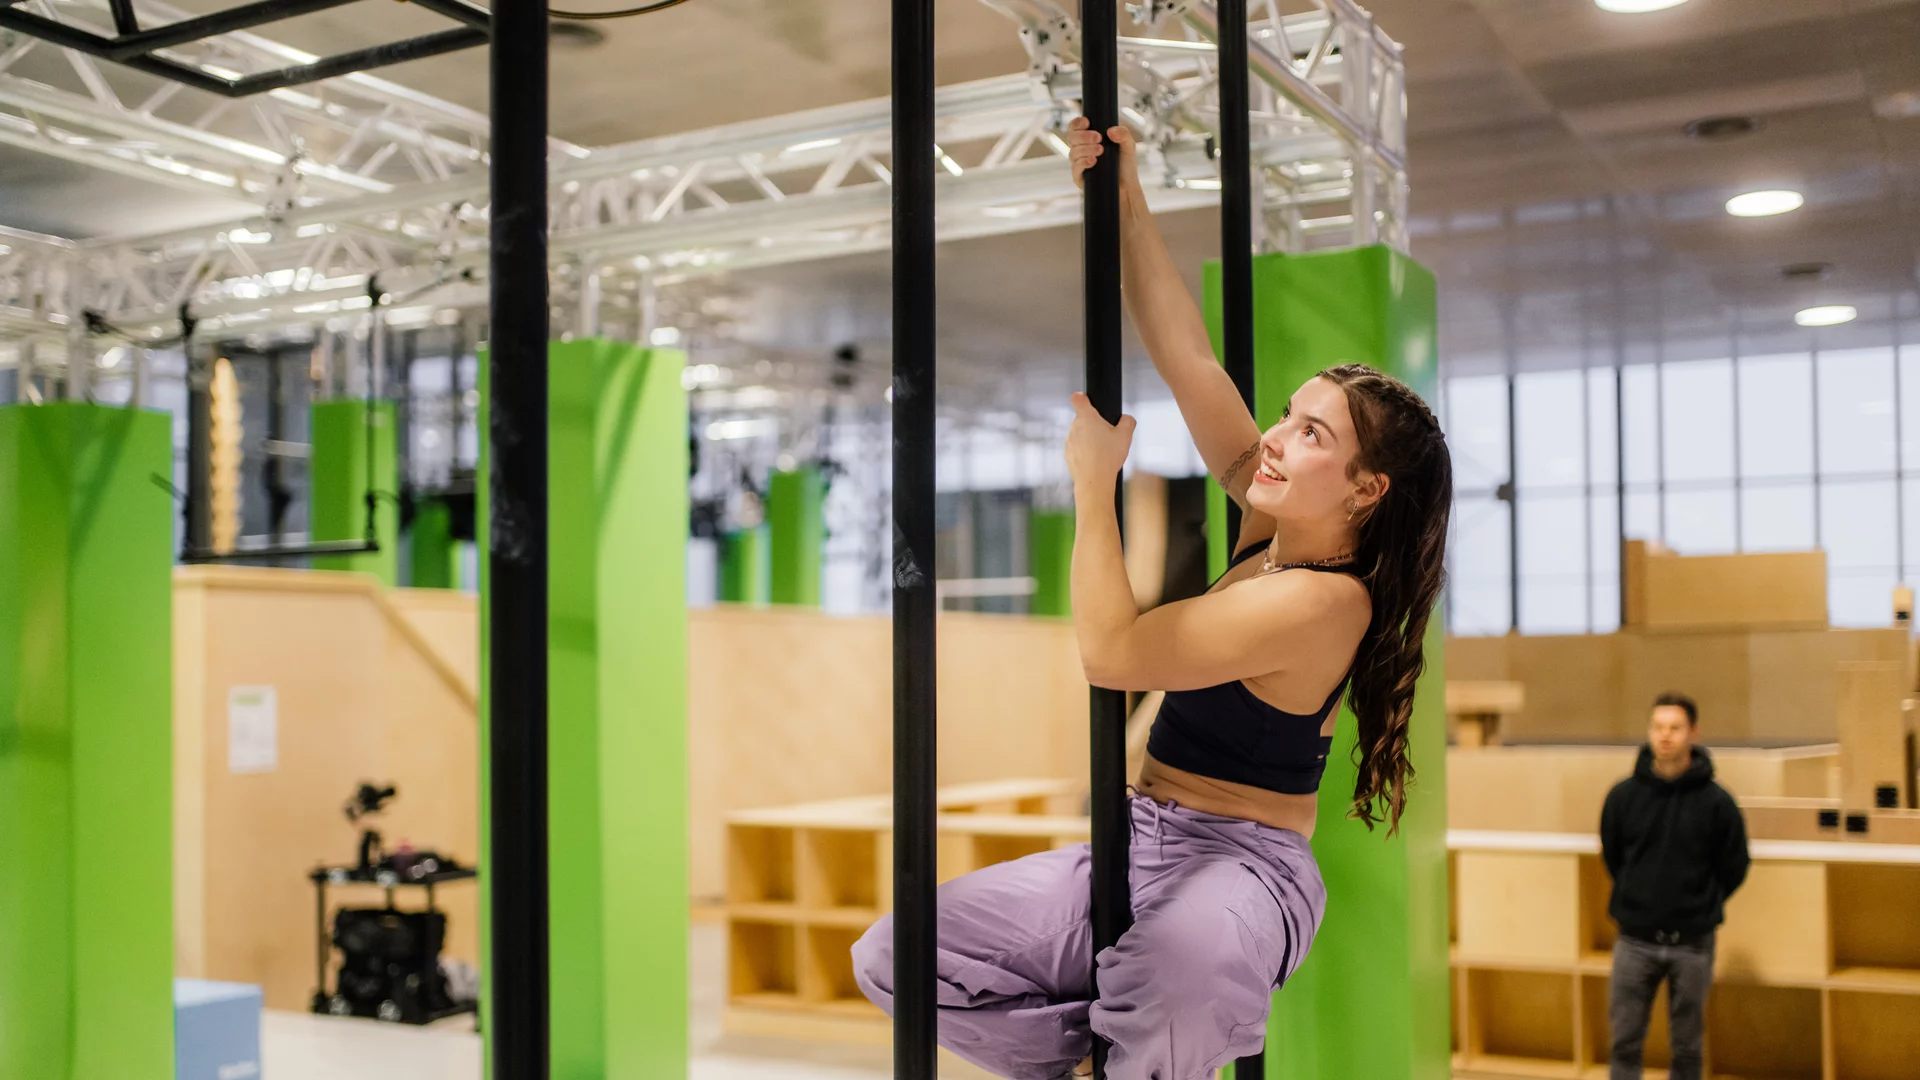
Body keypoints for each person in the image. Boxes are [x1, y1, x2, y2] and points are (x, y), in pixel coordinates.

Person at [849, 117, 1454, 1080]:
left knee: (1179, 965)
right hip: (1138, 833)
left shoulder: (1329, 602)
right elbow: (1189, 359)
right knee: (894, 954)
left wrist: (1094, 489)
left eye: (1309, 434)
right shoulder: (1269, 532)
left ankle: (1144, 1037)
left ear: (1364, 489)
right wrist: (1126, 196)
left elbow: (1113, 655)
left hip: (1245, 864)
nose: (1275, 440)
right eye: (1287, 418)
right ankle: (1110, 1050)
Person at [1601, 692, 1751, 1080]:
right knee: (1624, 1044)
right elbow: (1614, 856)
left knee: (1687, 1050)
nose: (1665, 736)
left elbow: (1734, 864)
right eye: (1658, 727)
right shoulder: (1623, 797)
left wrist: (1700, 903)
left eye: (1675, 728)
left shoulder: (1718, 803)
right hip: (1634, 941)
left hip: (1693, 944)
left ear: (1693, 733)